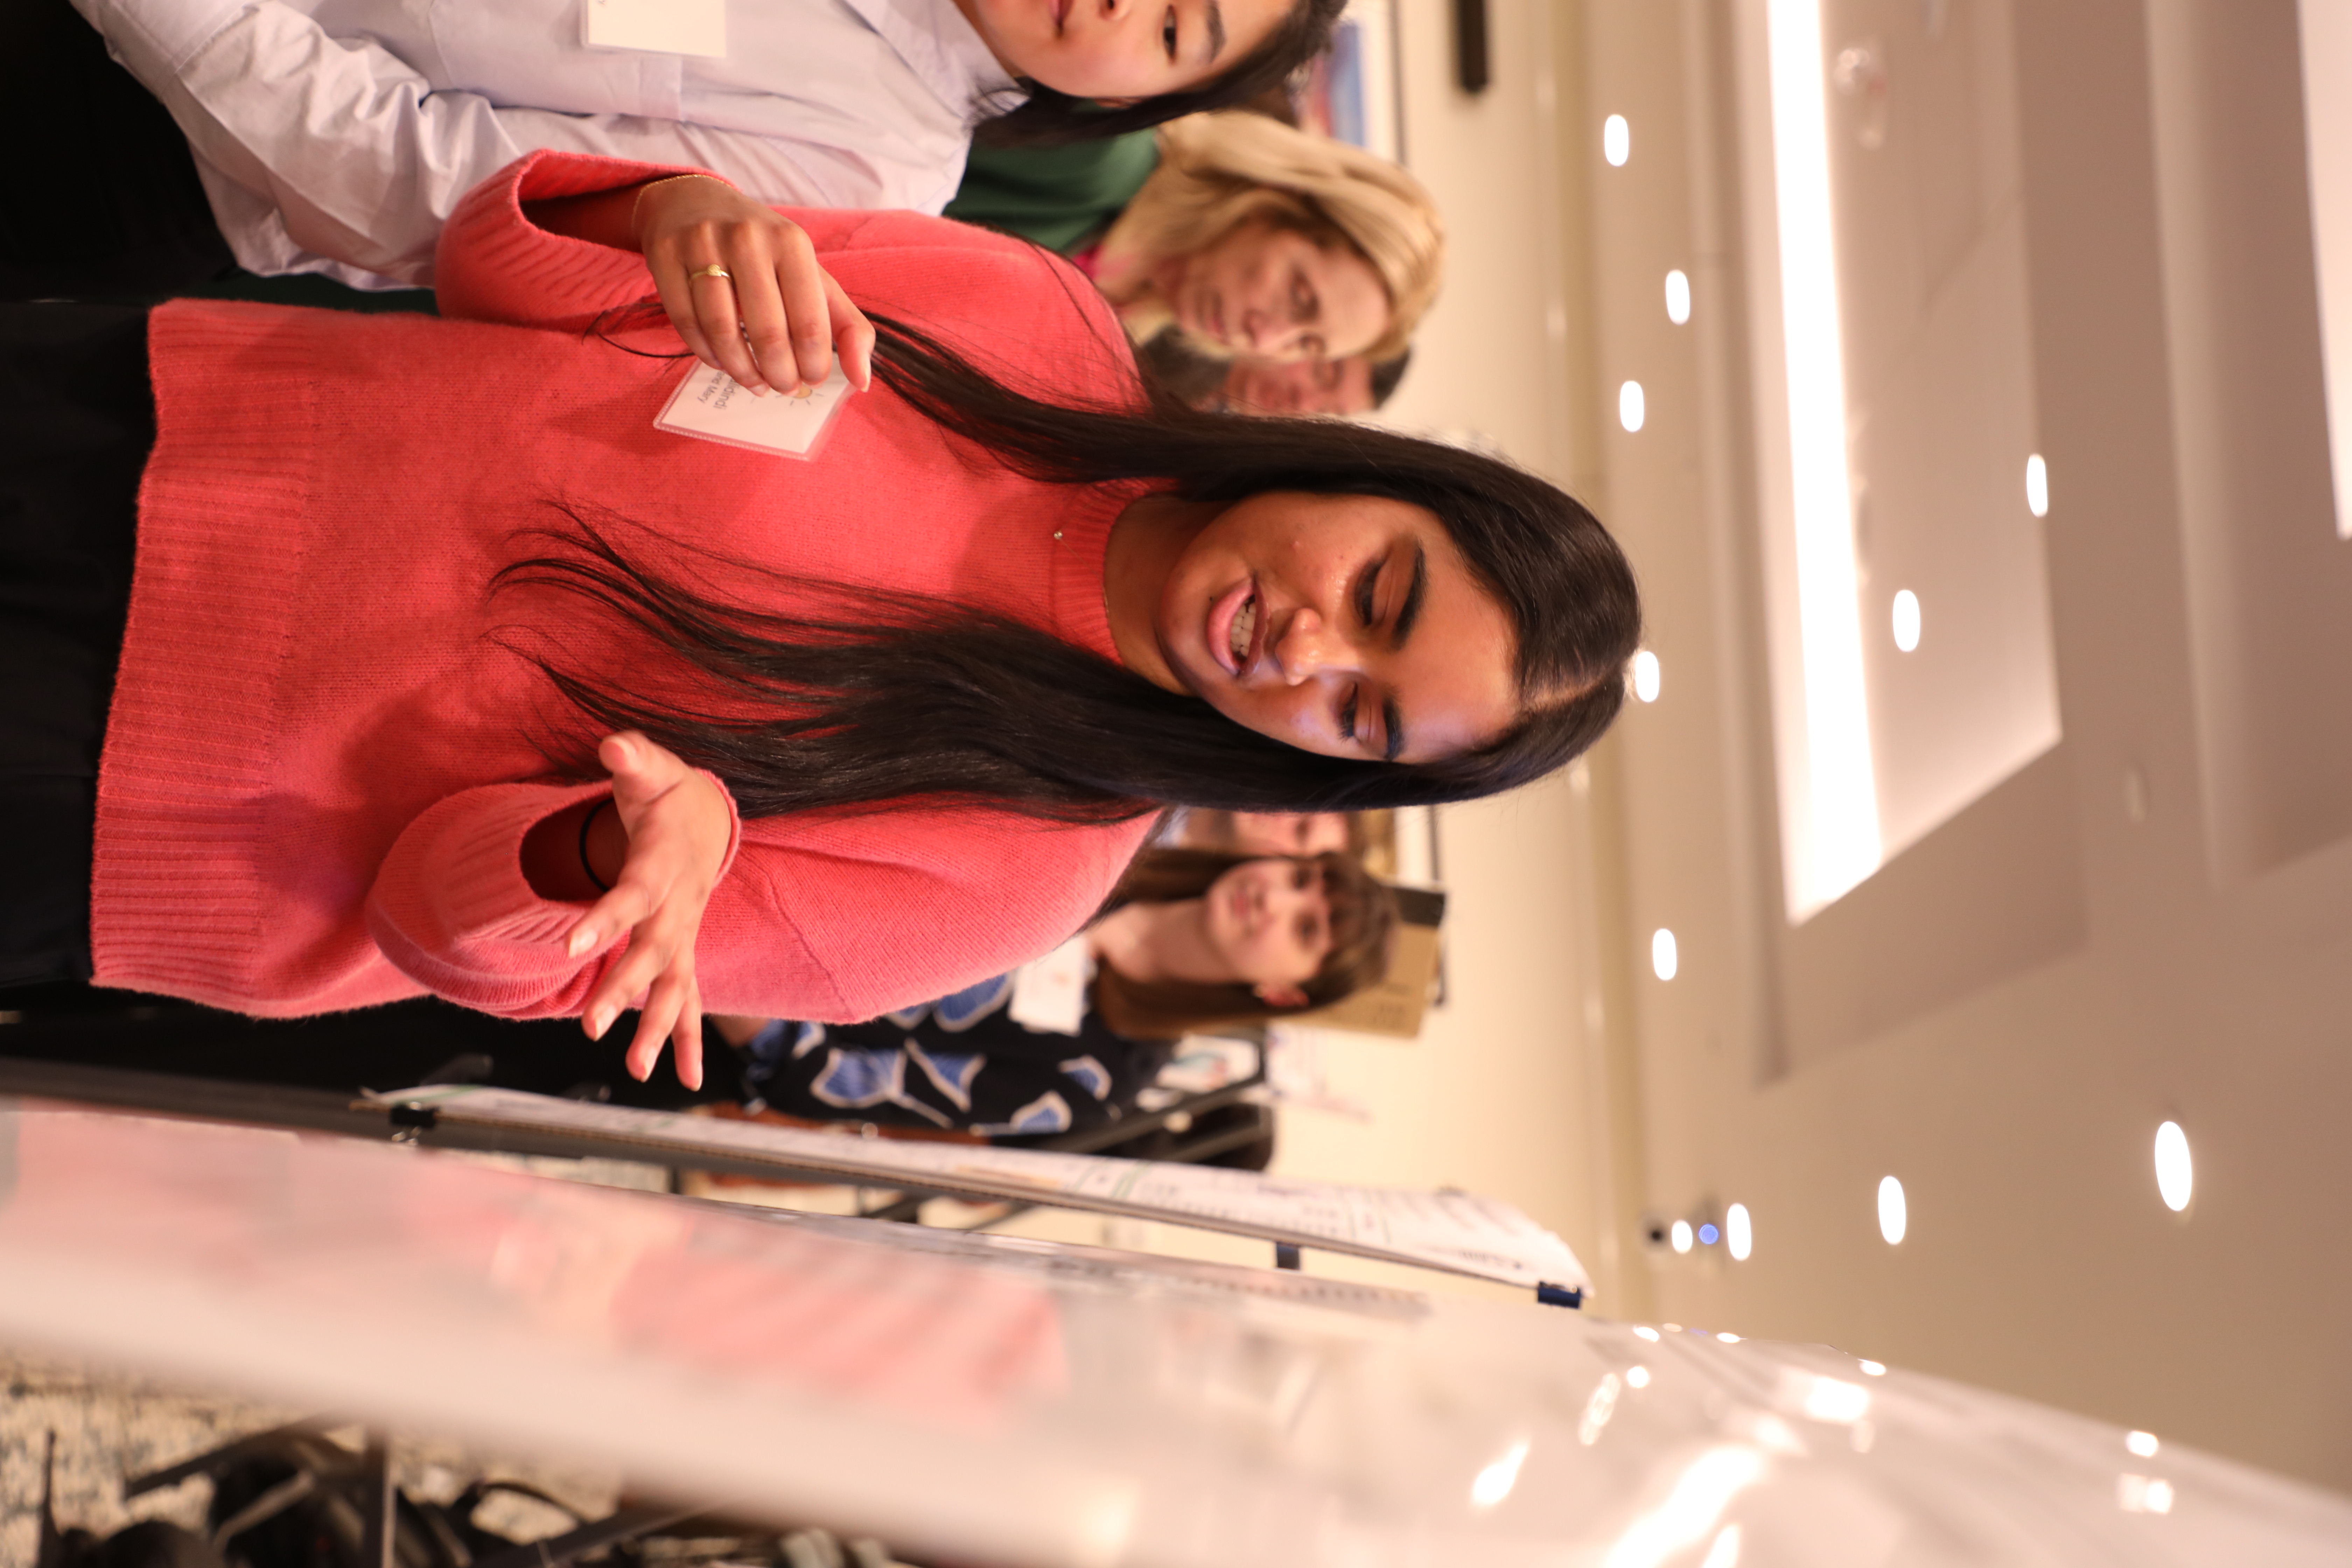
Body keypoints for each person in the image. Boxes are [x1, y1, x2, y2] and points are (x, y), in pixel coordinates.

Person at [0, 150, 1639, 1097]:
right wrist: (662, 215)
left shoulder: (1018, 870)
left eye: (1362, 715)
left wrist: (605, 860)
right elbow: (496, 271)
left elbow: (428, 923)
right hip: (157, 418)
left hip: (134, 794)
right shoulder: (1029, 322)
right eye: (1381, 594)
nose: (1311, 655)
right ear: (1373, 475)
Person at [9, 0, 1343, 299]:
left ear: (1138, 102)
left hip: (142, 130)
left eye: (1175, 25)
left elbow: (421, 187)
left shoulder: (883, 168)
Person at [713, 846, 1393, 1135]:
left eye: (1305, 927)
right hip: (739, 861)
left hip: (695, 1004)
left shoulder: (1107, 1076)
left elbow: (833, 1082)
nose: (1274, 897)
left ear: (1281, 994)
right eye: (1301, 876)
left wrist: (711, 951)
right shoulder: (1103, 844)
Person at [1083, 111, 1441, 364]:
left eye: (1304, 344)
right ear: (1276, 199)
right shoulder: (1103, 156)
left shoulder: (1118, 337)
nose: (1265, 339)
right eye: (1298, 297)